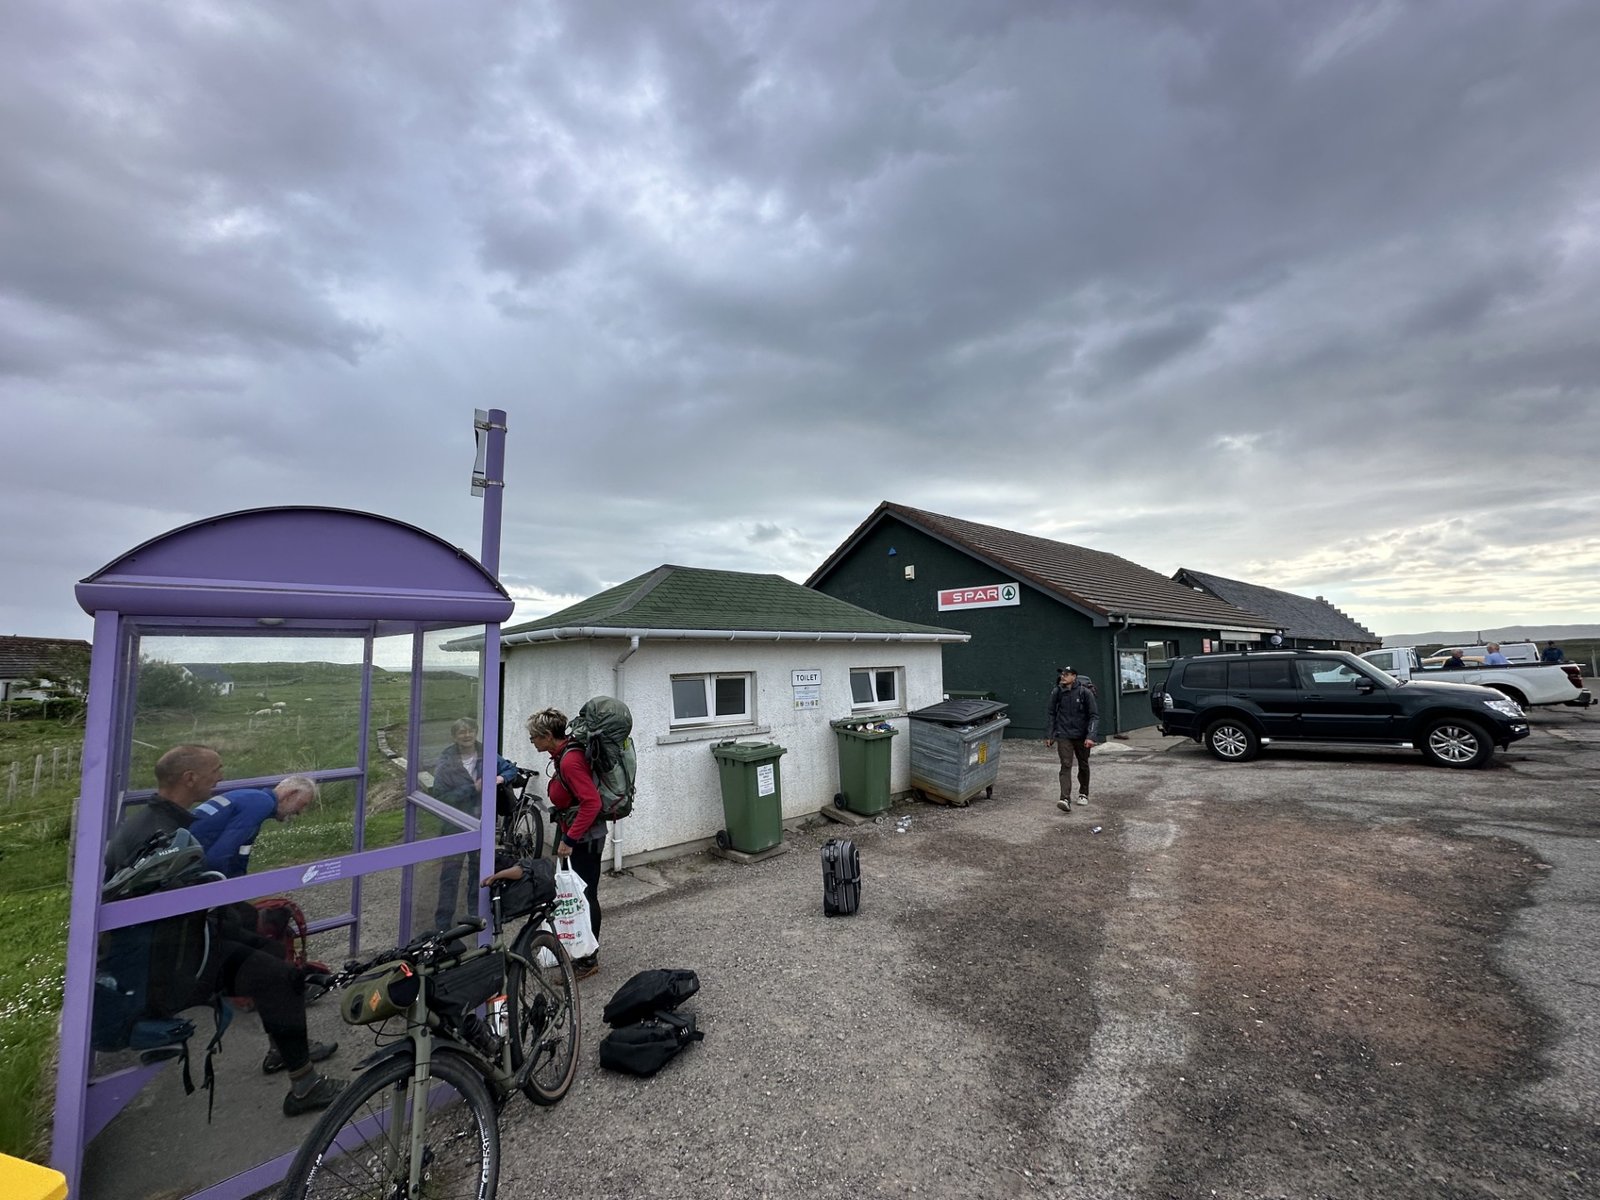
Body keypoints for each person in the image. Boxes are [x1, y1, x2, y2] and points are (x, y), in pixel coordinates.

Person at [103, 745, 342, 1115]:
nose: (221, 778)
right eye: (216, 770)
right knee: (279, 976)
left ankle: (283, 1047)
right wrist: (229, 907)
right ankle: (305, 1086)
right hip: (169, 962)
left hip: (178, 940)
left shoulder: (152, 821)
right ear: (190, 778)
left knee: (275, 954)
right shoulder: (171, 832)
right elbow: (214, 866)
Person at [482, 707, 603, 979]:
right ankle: (579, 948)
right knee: (578, 894)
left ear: (548, 736)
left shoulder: (570, 761)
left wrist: (570, 840)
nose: (532, 742)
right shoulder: (562, 755)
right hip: (575, 833)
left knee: (585, 896)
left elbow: (592, 803)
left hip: (585, 838)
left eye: (534, 738)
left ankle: (588, 960)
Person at [429, 718, 518, 930]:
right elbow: (440, 797)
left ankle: (473, 918)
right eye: (461, 732)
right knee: (450, 875)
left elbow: (510, 769)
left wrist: (500, 779)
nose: (466, 735)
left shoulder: (486, 754)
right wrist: (473, 789)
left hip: (481, 823)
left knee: (478, 873)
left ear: (476, 733)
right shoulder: (446, 762)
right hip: (454, 826)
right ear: (454, 737)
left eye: (470, 731)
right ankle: (443, 925)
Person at [186, 775, 318, 877]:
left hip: (186, 856)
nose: (300, 812)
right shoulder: (262, 804)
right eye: (303, 804)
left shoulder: (252, 797)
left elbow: (240, 854)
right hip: (188, 865)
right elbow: (220, 854)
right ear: (290, 795)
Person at [1045, 666, 1099, 813]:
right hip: (1064, 734)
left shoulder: (1085, 693)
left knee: (1083, 764)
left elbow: (1094, 716)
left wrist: (1090, 736)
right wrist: (1050, 735)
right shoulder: (1057, 692)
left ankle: (1083, 793)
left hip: (1082, 736)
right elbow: (1051, 714)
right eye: (1062, 674)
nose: (1063, 677)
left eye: (1067, 674)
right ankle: (1064, 798)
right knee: (1066, 764)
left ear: (1074, 676)